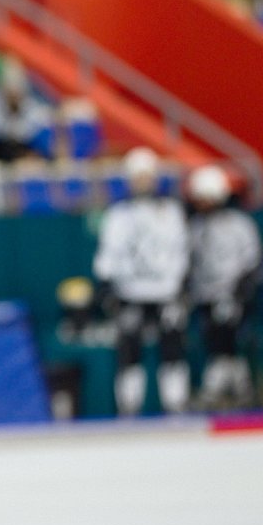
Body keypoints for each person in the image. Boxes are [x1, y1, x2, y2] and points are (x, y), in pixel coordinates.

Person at [93, 147, 190, 416]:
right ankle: (129, 405)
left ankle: (175, 402)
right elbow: (108, 251)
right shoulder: (118, 214)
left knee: (172, 348)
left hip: (165, 291)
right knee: (129, 351)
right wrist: (107, 282)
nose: (143, 182)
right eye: (138, 176)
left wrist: (180, 285)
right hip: (130, 292)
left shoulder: (171, 212)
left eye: (147, 176)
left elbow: (180, 249)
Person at [185, 164, 263, 408]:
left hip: (232, 291)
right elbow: (190, 260)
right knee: (216, 340)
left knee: (227, 340)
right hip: (206, 293)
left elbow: (252, 257)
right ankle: (239, 386)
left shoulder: (238, 224)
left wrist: (240, 288)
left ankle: (227, 386)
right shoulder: (196, 227)